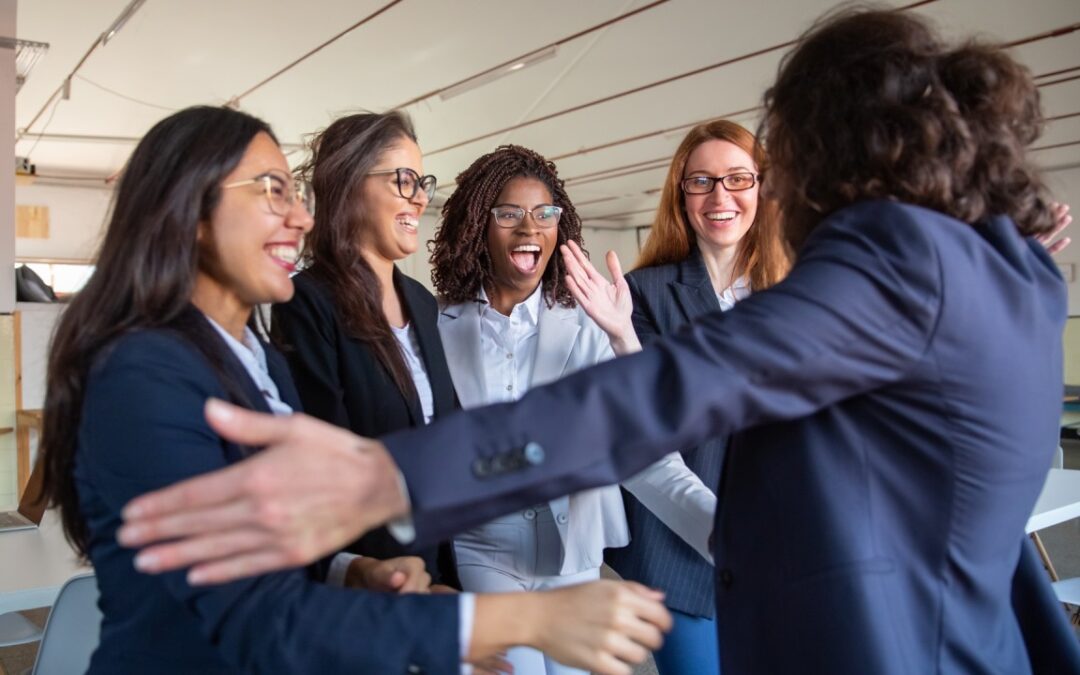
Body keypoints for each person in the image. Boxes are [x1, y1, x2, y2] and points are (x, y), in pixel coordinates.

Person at [117, 8, 1080, 673]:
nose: (773, 185)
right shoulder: (1011, 271)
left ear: (834, 146)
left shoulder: (900, 258)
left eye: (778, 158)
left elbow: (665, 394)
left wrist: (392, 478)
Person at [34, 105, 671, 674]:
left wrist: (353, 570)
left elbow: (274, 538)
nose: (300, 215)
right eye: (271, 191)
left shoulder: (252, 357)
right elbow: (250, 615)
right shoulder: (142, 376)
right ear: (191, 212)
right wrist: (518, 622)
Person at [429, 144, 716, 675]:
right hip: (485, 551)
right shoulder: (439, 327)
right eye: (508, 214)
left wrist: (728, 532)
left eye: (544, 214)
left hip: (576, 554)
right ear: (476, 228)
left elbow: (643, 447)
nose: (528, 228)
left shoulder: (590, 325)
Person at [568, 119, 788, 675]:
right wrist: (621, 337)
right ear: (681, 195)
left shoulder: (792, 293)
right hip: (681, 553)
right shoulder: (643, 295)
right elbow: (646, 428)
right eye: (702, 181)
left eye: (739, 178)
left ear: (763, 188)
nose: (721, 196)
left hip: (785, 543)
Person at [271, 111, 458, 590]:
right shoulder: (308, 303)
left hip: (433, 566)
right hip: (368, 578)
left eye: (422, 182)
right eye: (404, 180)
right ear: (350, 184)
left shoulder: (420, 300)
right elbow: (319, 471)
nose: (419, 197)